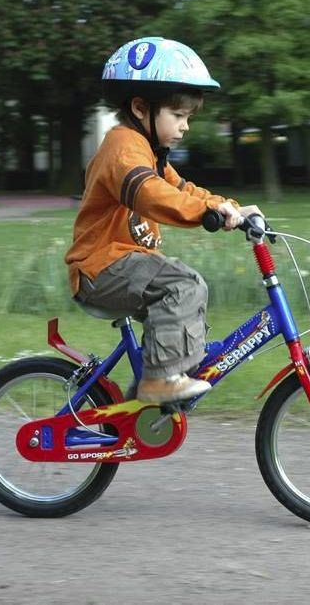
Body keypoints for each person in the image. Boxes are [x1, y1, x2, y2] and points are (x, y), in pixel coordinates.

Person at [65, 37, 261, 404]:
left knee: (185, 300)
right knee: (183, 285)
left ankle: (146, 403)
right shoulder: (122, 149)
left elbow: (183, 188)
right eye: (178, 115)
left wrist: (229, 206)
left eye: (188, 117)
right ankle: (159, 382)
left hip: (123, 264)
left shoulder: (150, 153)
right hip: (101, 266)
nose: (185, 126)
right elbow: (150, 194)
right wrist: (205, 214)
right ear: (141, 107)